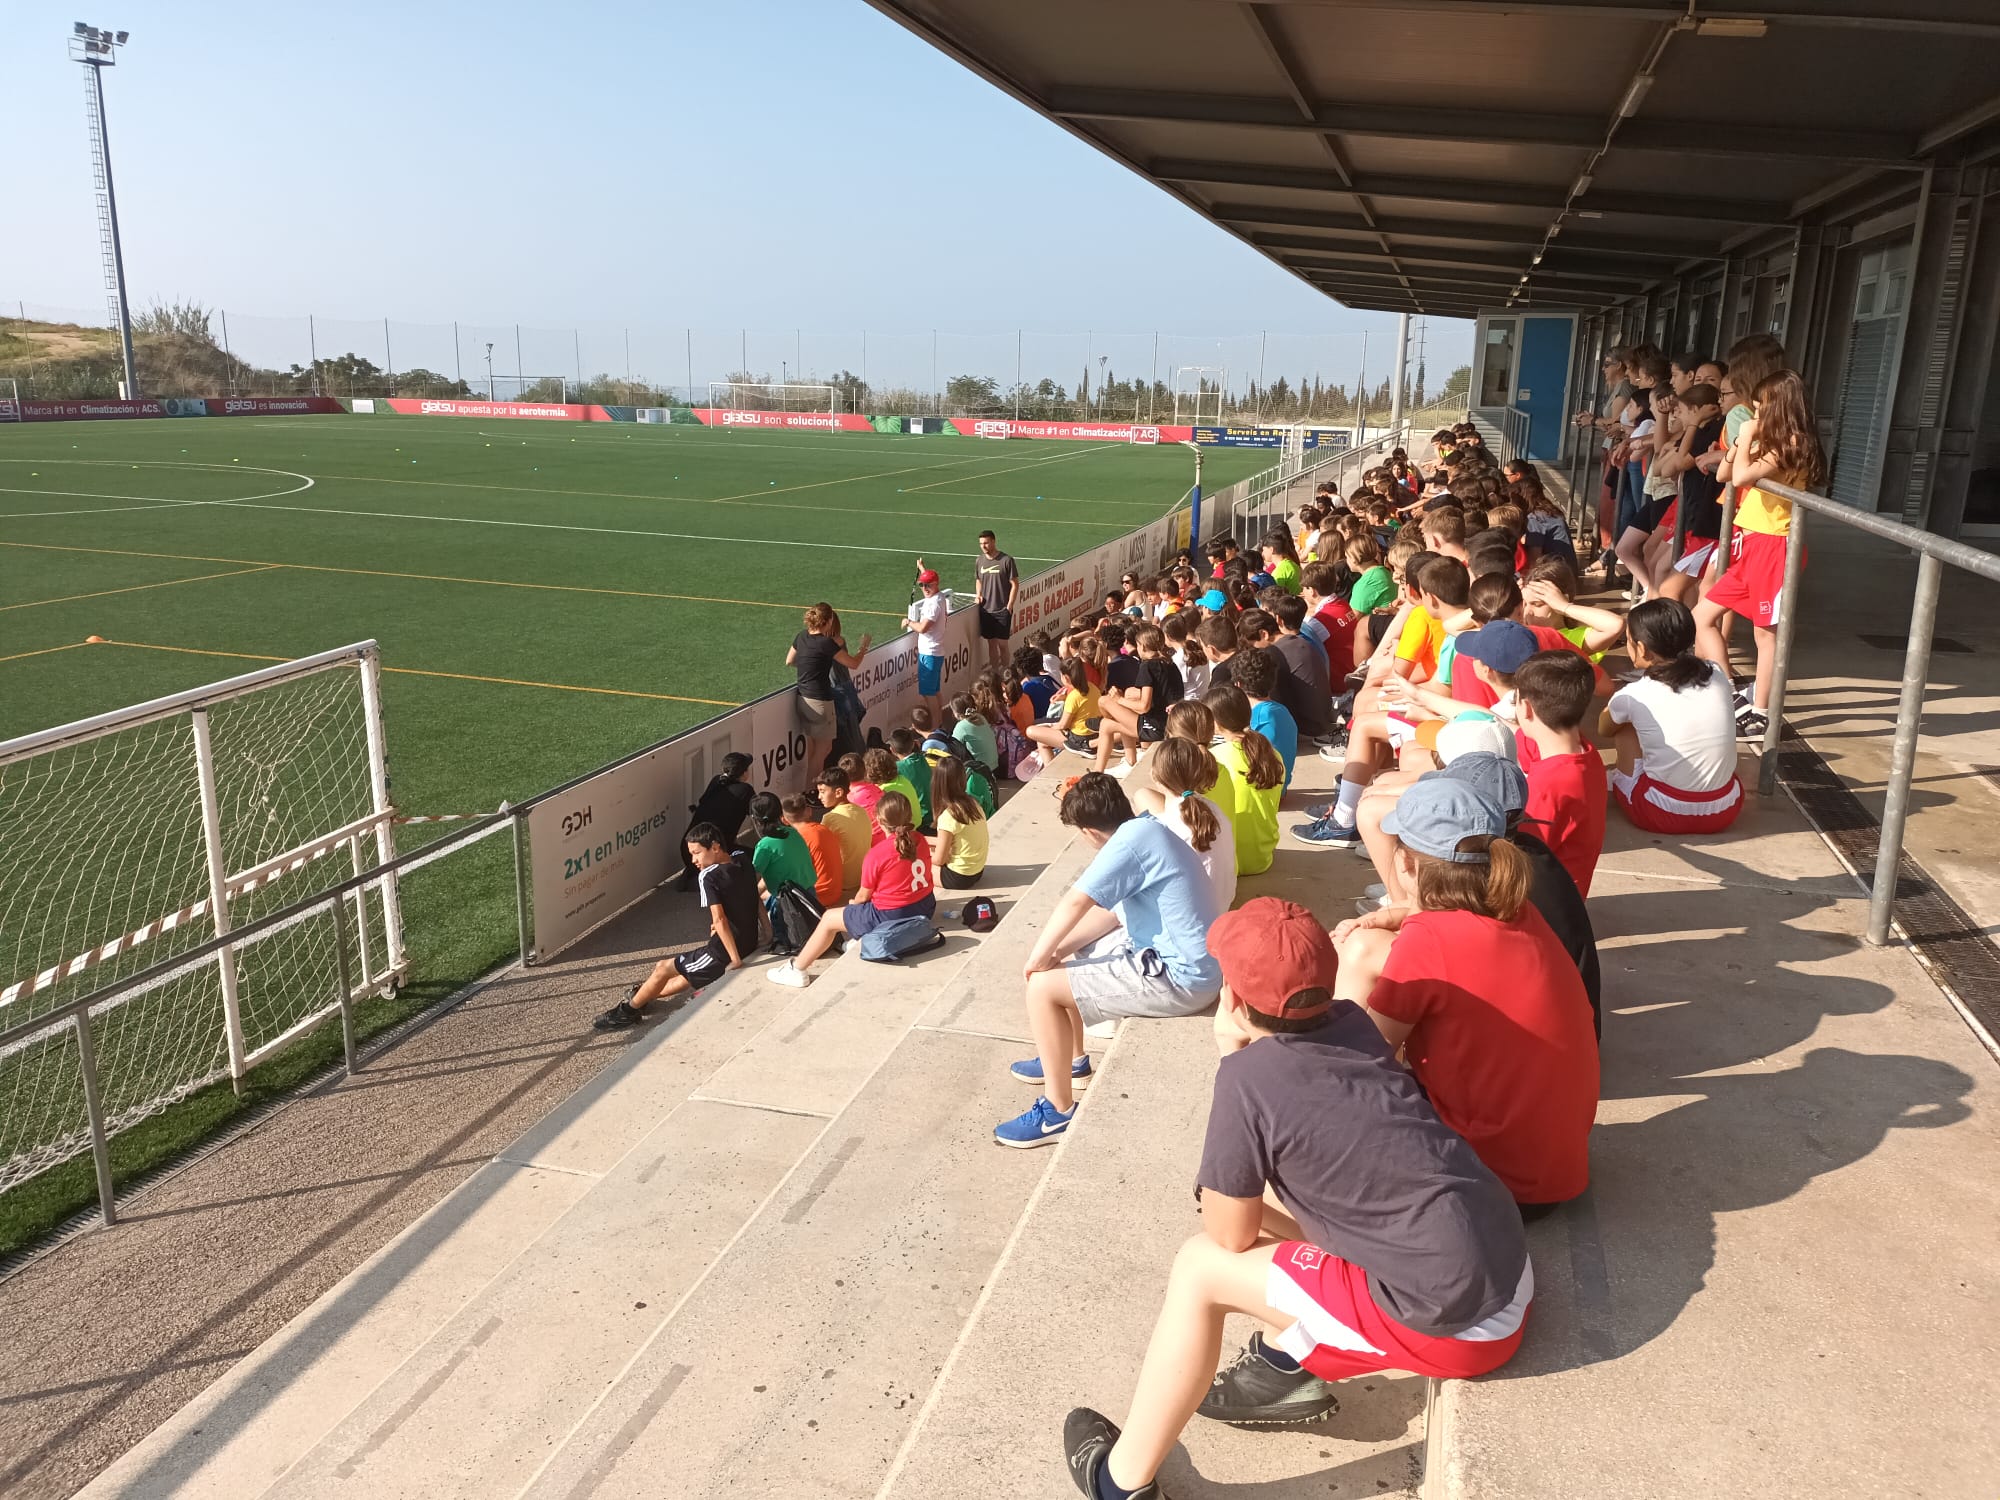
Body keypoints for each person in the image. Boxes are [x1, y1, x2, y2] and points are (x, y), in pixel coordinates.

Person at [1061, 899, 1532, 1498]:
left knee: (1198, 1268)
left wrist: (1232, 1057)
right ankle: (1288, 1361)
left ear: (1233, 996)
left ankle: (1119, 1482)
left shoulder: (1247, 1079)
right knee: (1313, 1216)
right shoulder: (1355, 1025)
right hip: (1505, 1266)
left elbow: (1229, 1236)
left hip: (1461, 1328)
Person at [1332, 779, 1599, 1208]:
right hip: (1554, 1171)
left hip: (1489, 1186)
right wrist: (1392, 915)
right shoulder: (1518, 909)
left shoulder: (1429, 943)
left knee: (1340, 1084)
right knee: (1372, 951)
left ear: (1408, 866)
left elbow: (1368, 1062)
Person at [995, 774, 1223, 1148]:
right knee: (1060, 966)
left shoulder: (1129, 843)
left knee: (1041, 988)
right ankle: (1070, 1061)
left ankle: (1057, 1112)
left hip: (1180, 979)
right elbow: (1113, 915)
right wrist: (1057, 951)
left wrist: (1037, 957)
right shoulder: (1146, 830)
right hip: (1193, 969)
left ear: (1089, 832)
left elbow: (1076, 901)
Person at [1693, 367, 1826, 737]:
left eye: (1762, 407)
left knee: (1766, 636)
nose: (1756, 414)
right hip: (1749, 542)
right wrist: (1739, 443)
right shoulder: (1770, 439)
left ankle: (1762, 709)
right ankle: (1731, 691)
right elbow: (1723, 475)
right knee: (1701, 616)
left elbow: (1740, 478)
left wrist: (1748, 435)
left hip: (1775, 545)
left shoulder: (1794, 443)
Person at [594, 823, 757, 1029]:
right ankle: (641, 995)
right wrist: (766, 934)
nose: (693, 860)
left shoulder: (709, 876)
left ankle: (627, 1012)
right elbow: (753, 898)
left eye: (696, 853)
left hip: (722, 953)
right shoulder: (742, 859)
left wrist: (735, 960)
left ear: (715, 847)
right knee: (684, 977)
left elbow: (719, 919)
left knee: (663, 968)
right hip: (748, 942)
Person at [1605, 598, 1744, 834]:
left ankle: (1622, 780)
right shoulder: (1718, 674)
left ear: (1641, 648)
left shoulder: (1635, 694)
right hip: (1725, 808)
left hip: (1659, 811)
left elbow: (1604, 728)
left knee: (1625, 726)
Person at [769, 791, 935, 987]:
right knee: (857, 911)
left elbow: (863, 896)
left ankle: (797, 968)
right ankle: (862, 940)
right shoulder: (920, 840)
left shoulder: (877, 854)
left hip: (893, 914)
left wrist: (853, 905)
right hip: (926, 905)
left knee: (830, 918)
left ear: (879, 819)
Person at [1510, 652, 1607, 897]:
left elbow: (1519, 861)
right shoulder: (1585, 753)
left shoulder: (1548, 785)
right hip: (1568, 897)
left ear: (1526, 707)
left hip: (1543, 909)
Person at [1141, 735, 1236, 916]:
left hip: (1193, 917)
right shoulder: (1213, 809)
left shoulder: (1166, 828)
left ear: (1154, 775)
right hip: (1223, 905)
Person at [1204, 684, 1285, 877]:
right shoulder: (1271, 754)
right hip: (1262, 856)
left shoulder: (1214, 758)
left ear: (1215, 723)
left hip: (1231, 861)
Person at [787, 603, 871, 779]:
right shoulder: (826, 643)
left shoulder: (801, 636)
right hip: (820, 701)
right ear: (828, 621)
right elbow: (853, 664)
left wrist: (811, 665)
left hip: (802, 698)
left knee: (814, 749)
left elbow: (790, 661)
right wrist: (863, 647)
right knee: (823, 750)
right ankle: (811, 791)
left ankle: (812, 790)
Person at [747, 790, 820, 955]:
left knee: (783, 936)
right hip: (809, 893)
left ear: (754, 819)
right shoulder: (793, 832)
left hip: (786, 900)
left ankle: (779, 942)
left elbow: (753, 873)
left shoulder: (765, 845)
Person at [677, 752, 754, 891]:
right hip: (709, 852)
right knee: (754, 859)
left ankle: (695, 873)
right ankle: (708, 878)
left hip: (687, 850)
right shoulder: (745, 790)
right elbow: (757, 817)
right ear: (744, 773)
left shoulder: (715, 781)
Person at [1231, 648, 1297, 788]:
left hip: (1264, 792)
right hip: (1280, 788)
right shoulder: (1283, 711)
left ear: (1238, 684)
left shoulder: (1257, 719)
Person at [1025, 656, 1100, 770]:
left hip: (1079, 739)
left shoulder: (1074, 696)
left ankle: (1049, 770)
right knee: (1043, 731)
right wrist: (1064, 698)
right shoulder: (1093, 687)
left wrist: (1050, 727)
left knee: (1032, 732)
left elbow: (1063, 725)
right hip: (1093, 733)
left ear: (1066, 677)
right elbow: (1083, 703)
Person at [931, 755, 990, 889]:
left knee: (915, 863)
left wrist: (924, 855)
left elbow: (939, 860)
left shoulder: (948, 816)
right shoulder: (973, 804)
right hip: (976, 871)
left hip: (958, 877)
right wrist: (922, 840)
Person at [815, 766, 873, 899]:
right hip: (864, 877)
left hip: (845, 882)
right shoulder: (861, 810)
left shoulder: (830, 818)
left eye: (822, 792)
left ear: (838, 792)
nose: (819, 797)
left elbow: (819, 850)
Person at [781, 793, 843, 909]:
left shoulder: (795, 840)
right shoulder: (825, 829)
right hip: (836, 892)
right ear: (809, 811)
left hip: (816, 897)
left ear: (784, 820)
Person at [908, 560, 949, 722]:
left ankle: (936, 725)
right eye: (922, 585)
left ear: (936, 584)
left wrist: (909, 622)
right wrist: (922, 568)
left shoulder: (933, 604)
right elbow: (930, 583)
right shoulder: (938, 597)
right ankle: (939, 721)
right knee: (934, 690)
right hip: (935, 652)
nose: (924, 589)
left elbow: (923, 627)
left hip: (929, 653)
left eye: (928, 585)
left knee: (928, 693)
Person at [975, 529, 1019, 668]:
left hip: (1002, 609)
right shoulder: (979, 560)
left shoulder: (1006, 560)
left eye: (986, 543)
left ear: (993, 541)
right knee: (991, 644)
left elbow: (1015, 584)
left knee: (1002, 645)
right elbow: (978, 580)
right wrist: (978, 594)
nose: (983, 546)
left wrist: (1010, 605)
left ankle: (1006, 672)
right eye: (981, 543)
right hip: (986, 610)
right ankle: (995, 673)